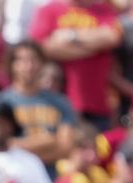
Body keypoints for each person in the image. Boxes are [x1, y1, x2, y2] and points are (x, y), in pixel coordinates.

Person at [29, 0, 122, 129]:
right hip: (57, 101)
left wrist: (70, 35)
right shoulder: (49, 10)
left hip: (98, 105)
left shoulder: (105, 10)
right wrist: (95, 48)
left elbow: (112, 37)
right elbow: (43, 49)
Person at [0, 40, 77, 168]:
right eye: (22, 60)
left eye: (33, 60)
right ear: (12, 65)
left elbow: (66, 146)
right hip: (15, 172)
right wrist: (48, 140)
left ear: (42, 64)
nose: (28, 66)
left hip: (52, 174)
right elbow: (2, 145)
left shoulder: (60, 102)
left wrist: (22, 148)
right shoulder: (1, 104)